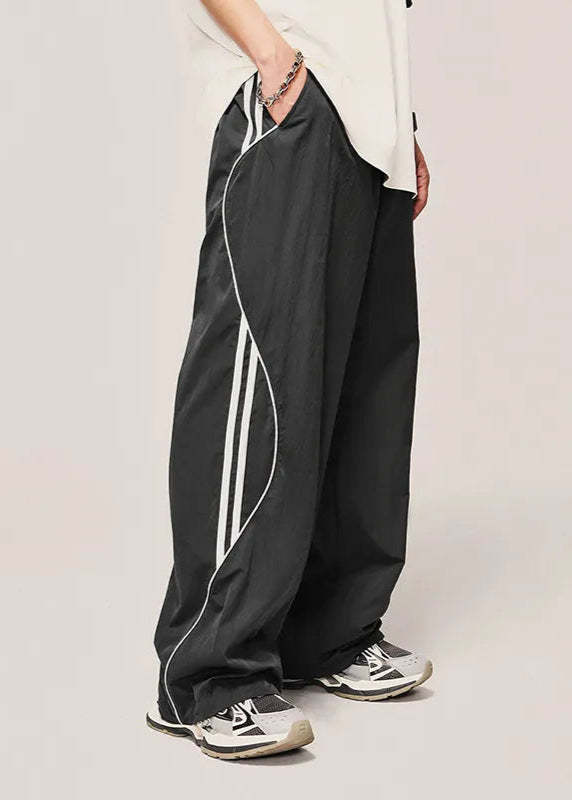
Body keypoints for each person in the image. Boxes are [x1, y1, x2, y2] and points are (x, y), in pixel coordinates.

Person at [148, 0, 431, 760]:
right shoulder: (282, 81)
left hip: (367, 119)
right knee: (256, 381)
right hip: (287, 95)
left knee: (361, 389)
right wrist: (274, 62)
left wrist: (398, 117)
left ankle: (329, 632)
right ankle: (209, 673)